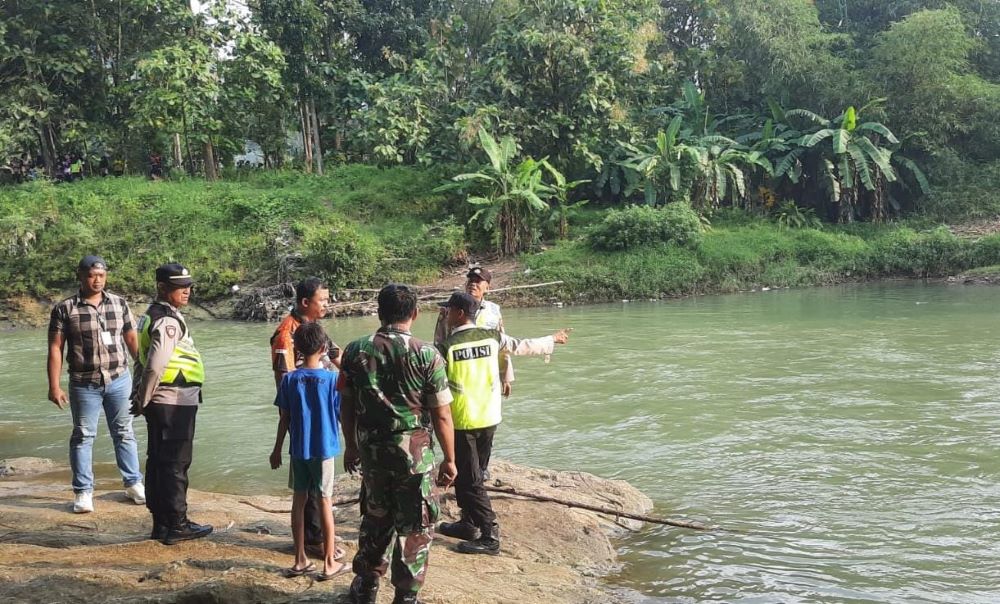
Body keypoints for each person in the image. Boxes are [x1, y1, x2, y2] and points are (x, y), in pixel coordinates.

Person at [339, 284, 457, 604]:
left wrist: (351, 445)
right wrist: (450, 459)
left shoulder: (354, 350)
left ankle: (366, 585)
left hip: (373, 453)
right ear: (415, 313)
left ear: (379, 312)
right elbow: (442, 414)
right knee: (416, 524)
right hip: (414, 457)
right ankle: (406, 595)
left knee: (376, 516)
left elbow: (346, 404)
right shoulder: (427, 354)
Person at [436, 292, 571, 555]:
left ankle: (490, 535)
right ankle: (468, 523)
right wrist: (551, 339)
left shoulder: (447, 347)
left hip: (463, 419)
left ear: (460, 313)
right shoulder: (492, 337)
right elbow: (522, 346)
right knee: (473, 473)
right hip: (489, 416)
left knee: (470, 479)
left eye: (448, 310)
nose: (445, 314)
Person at [47, 255, 145, 514]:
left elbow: (131, 339)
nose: (97, 280)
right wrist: (54, 386)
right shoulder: (65, 309)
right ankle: (83, 492)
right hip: (83, 382)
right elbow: (56, 348)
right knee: (82, 436)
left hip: (119, 379)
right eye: (91, 275)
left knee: (124, 432)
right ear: (80, 276)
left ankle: (133, 483)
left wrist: (144, 373)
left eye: (101, 275)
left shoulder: (119, 303)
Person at [131, 263, 212, 545]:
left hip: (161, 400)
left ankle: (161, 523)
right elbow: (155, 365)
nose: (187, 291)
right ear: (163, 288)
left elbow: (140, 360)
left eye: (189, 286)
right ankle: (177, 524)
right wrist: (142, 398)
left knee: (158, 460)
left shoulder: (150, 315)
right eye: (180, 287)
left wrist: (139, 395)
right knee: (176, 463)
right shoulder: (166, 320)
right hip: (174, 400)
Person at [269, 322, 349, 581]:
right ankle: (329, 562)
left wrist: (276, 450)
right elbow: (342, 415)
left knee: (299, 501)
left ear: (297, 349)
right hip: (324, 449)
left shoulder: (290, 379)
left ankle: (300, 559)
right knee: (325, 500)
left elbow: (284, 418)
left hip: (298, 449)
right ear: (324, 348)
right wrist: (354, 446)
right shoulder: (333, 380)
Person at [434, 266, 515, 396]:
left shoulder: (494, 311)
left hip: (485, 369)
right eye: (470, 281)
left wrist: (505, 377)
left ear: (487, 288)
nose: (473, 284)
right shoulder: (450, 309)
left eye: (478, 281)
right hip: (458, 369)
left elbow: (502, 346)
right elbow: (440, 341)